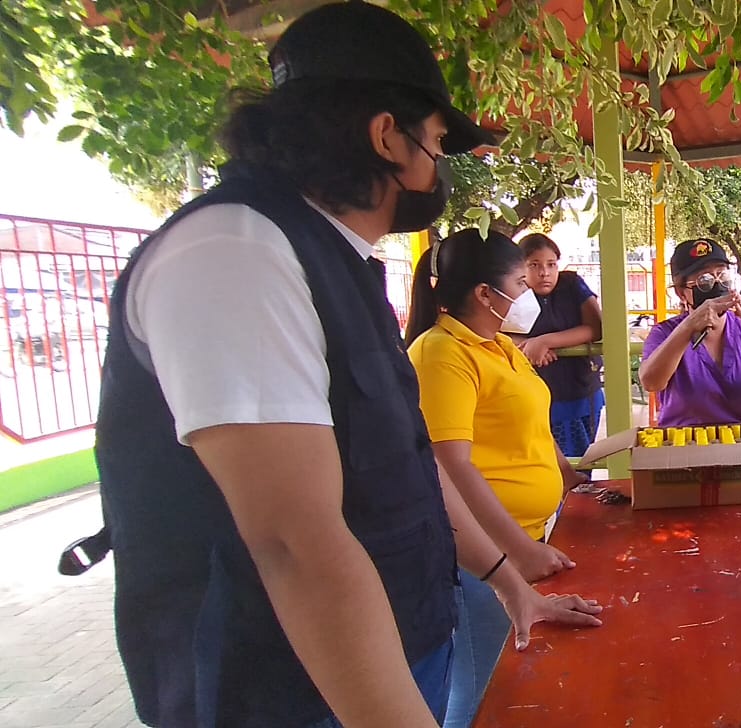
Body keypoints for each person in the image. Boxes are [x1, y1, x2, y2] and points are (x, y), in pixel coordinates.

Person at [90, 4, 598, 727]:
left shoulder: (334, 261)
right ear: (387, 136)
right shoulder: (236, 253)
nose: (441, 167)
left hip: (401, 645)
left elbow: (406, 462)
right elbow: (294, 543)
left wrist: (509, 583)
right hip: (292, 693)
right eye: (437, 143)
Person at [404, 228, 597, 727]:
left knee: (510, 676)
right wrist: (518, 549)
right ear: (485, 294)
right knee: (485, 686)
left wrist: (568, 476)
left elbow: (530, 422)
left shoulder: (500, 346)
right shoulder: (442, 353)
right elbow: (450, 465)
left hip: (525, 537)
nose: (529, 293)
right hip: (480, 554)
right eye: (520, 283)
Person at [638, 238, 741, 427]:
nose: (717, 285)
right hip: (687, 441)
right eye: (704, 280)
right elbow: (651, 383)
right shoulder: (664, 332)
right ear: (681, 292)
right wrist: (687, 328)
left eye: (722, 275)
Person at [516, 233, 605, 460]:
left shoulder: (572, 285)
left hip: (579, 390)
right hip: (530, 395)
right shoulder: (512, 291)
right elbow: (495, 332)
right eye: (534, 265)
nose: (544, 272)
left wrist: (545, 341)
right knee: (538, 462)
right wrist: (526, 347)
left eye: (551, 264)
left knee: (580, 463)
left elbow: (596, 327)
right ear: (520, 267)